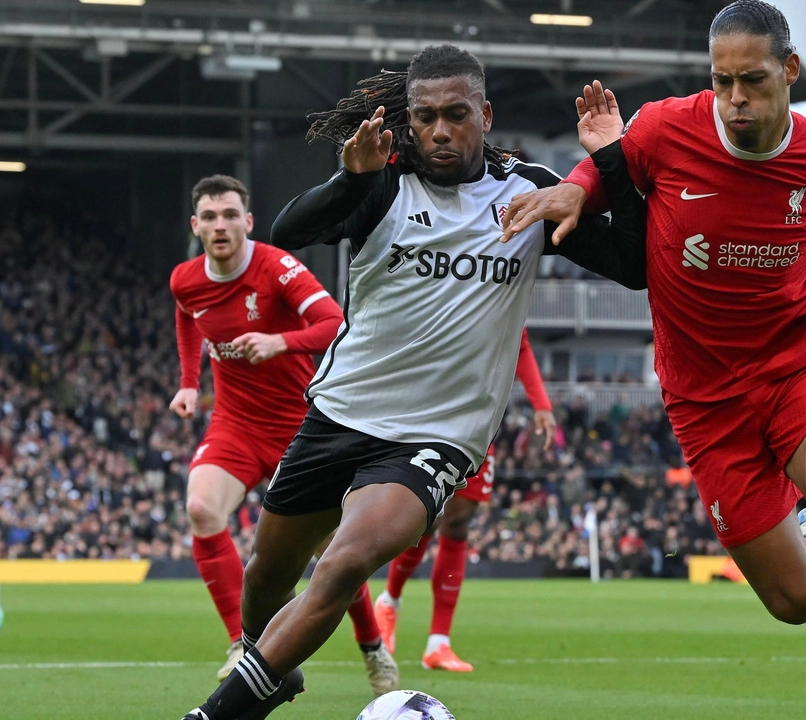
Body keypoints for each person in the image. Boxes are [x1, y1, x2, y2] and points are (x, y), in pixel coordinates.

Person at [179, 43, 645, 720]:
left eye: (456, 114)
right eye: (425, 117)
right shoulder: (385, 182)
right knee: (266, 575)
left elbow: (634, 265)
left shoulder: (527, 192)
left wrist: (611, 159)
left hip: (437, 437)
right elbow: (286, 229)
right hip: (341, 412)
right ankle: (266, 665)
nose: (440, 130)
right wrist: (349, 178)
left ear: (484, 114)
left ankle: (218, 713)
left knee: (342, 564)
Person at [500, 3, 806, 717]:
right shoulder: (669, 127)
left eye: (752, 81)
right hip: (703, 401)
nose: (735, 100)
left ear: (788, 71)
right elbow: (607, 171)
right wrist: (575, 183)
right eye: (722, 81)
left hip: (796, 367)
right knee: (796, 602)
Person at [169, 174, 397, 693]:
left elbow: (334, 321)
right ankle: (242, 644)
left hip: (299, 429)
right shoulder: (185, 279)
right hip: (234, 424)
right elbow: (187, 318)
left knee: (331, 552)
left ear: (247, 222)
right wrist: (187, 383)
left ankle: (371, 645)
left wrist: (280, 342)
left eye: (230, 215)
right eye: (210, 216)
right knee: (202, 509)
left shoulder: (277, 268)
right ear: (196, 226)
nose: (220, 225)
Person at [374, 328, 557, 671]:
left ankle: (438, 644)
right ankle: (390, 600)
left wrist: (541, 404)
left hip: (481, 421)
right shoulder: (449, 282)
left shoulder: (504, 284)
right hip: (433, 413)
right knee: (429, 514)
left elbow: (521, 343)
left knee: (458, 523)